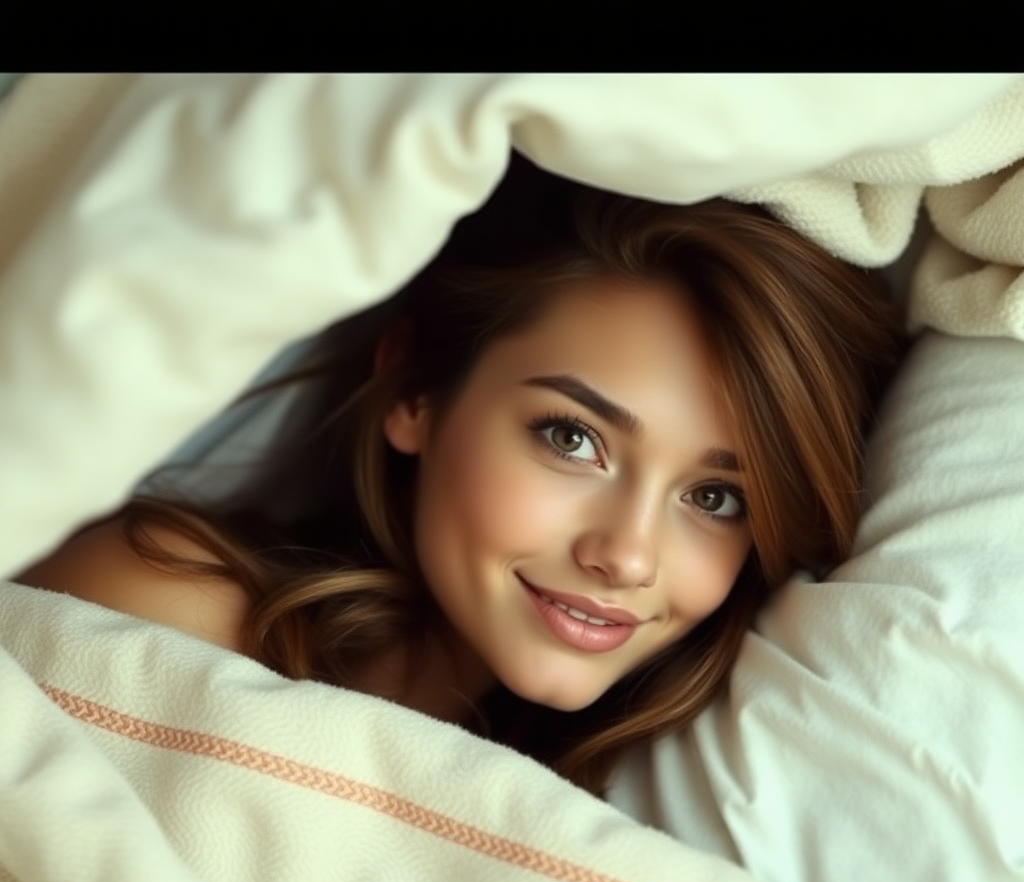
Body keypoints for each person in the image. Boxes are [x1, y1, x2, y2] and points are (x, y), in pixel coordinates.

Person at [18, 156, 906, 795]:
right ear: (415, 392)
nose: (627, 557)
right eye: (571, 439)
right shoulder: (169, 600)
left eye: (715, 498)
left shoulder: (612, 818)